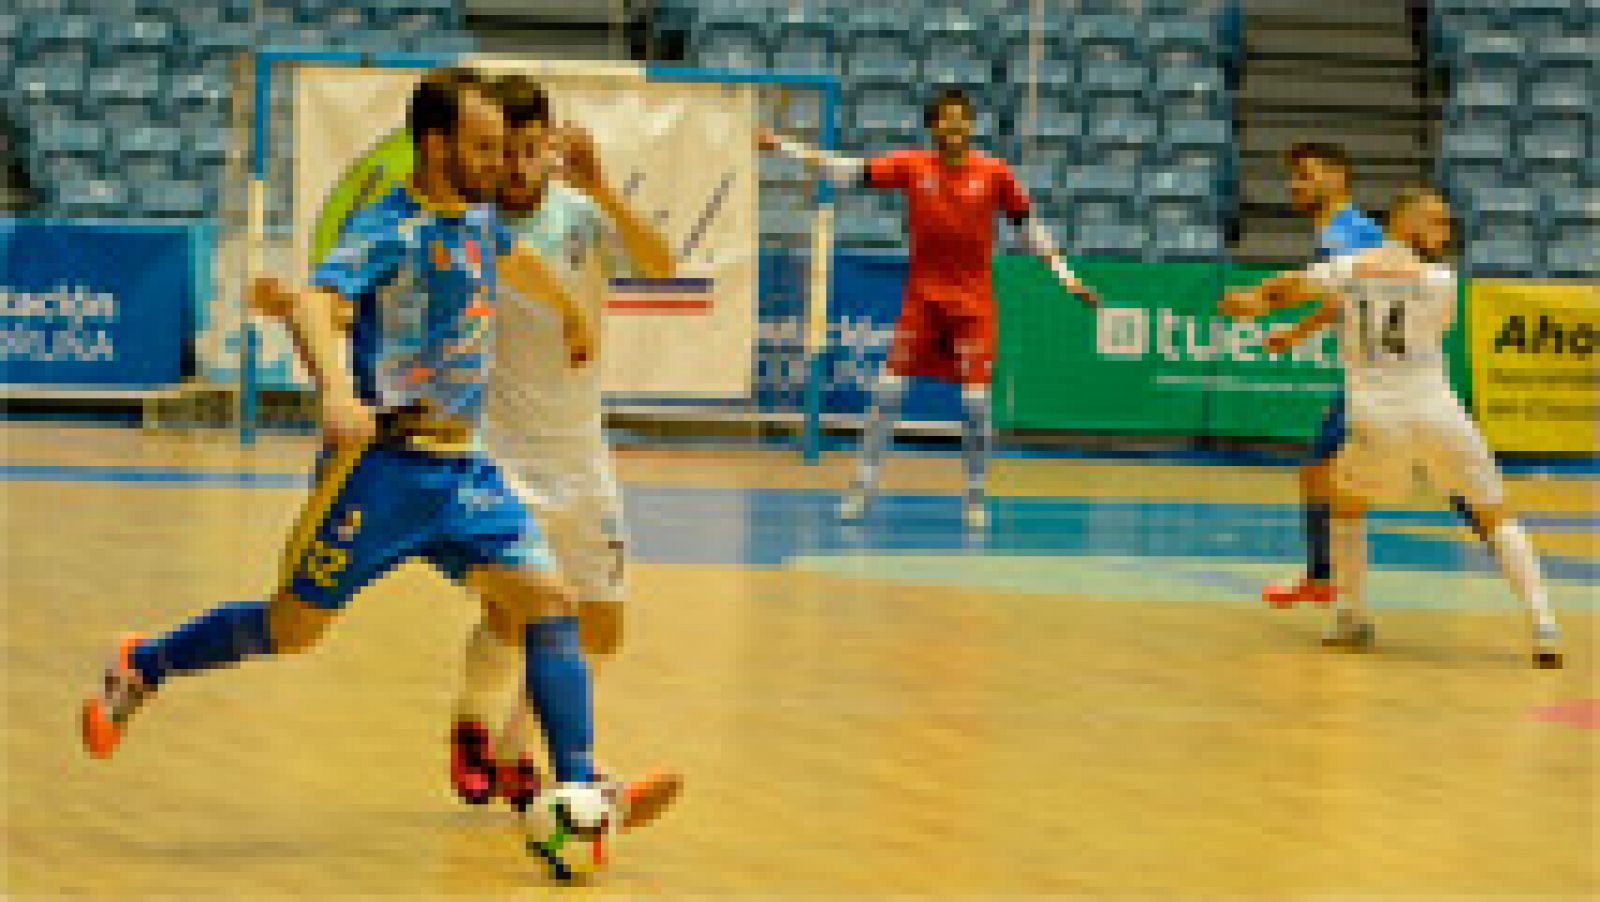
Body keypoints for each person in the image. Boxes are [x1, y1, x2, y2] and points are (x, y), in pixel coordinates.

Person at [80, 68, 681, 837]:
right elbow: (314, 303)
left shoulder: (475, 217)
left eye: (506, 149)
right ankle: (142, 666)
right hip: (380, 474)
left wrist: (569, 309)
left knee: (552, 604)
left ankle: (576, 790)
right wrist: (336, 390)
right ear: (435, 147)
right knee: (290, 630)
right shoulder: (388, 227)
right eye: (486, 148)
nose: (502, 164)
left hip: (462, 470)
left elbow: (512, 259)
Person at [450, 73, 677, 809]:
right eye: (503, 154)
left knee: (604, 629)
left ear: (550, 144)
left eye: (528, 151)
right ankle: (471, 725)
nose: (515, 169)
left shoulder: (582, 211)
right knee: (513, 612)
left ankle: (521, 750)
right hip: (502, 452)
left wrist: (606, 191)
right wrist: (567, 308)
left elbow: (663, 263)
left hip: (581, 455)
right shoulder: (473, 222)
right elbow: (516, 272)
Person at [1222, 186, 1564, 668]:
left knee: (1345, 505)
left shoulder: (1349, 268)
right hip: (1439, 411)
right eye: (1436, 221)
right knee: (1495, 513)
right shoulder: (1443, 279)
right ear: (1404, 224)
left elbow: (1289, 287)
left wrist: (1252, 301)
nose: (1446, 231)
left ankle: (1351, 617)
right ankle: (1543, 623)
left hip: (1377, 415)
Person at [758, 87, 1098, 530]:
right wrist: (783, 146)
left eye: (961, 118)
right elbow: (849, 171)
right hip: (922, 303)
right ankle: (861, 489)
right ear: (932, 127)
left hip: (974, 308)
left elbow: (1028, 229)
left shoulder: (994, 173)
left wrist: (1065, 276)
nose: (954, 126)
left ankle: (976, 497)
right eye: (945, 119)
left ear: (971, 125)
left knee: (976, 404)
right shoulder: (912, 166)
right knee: (886, 396)